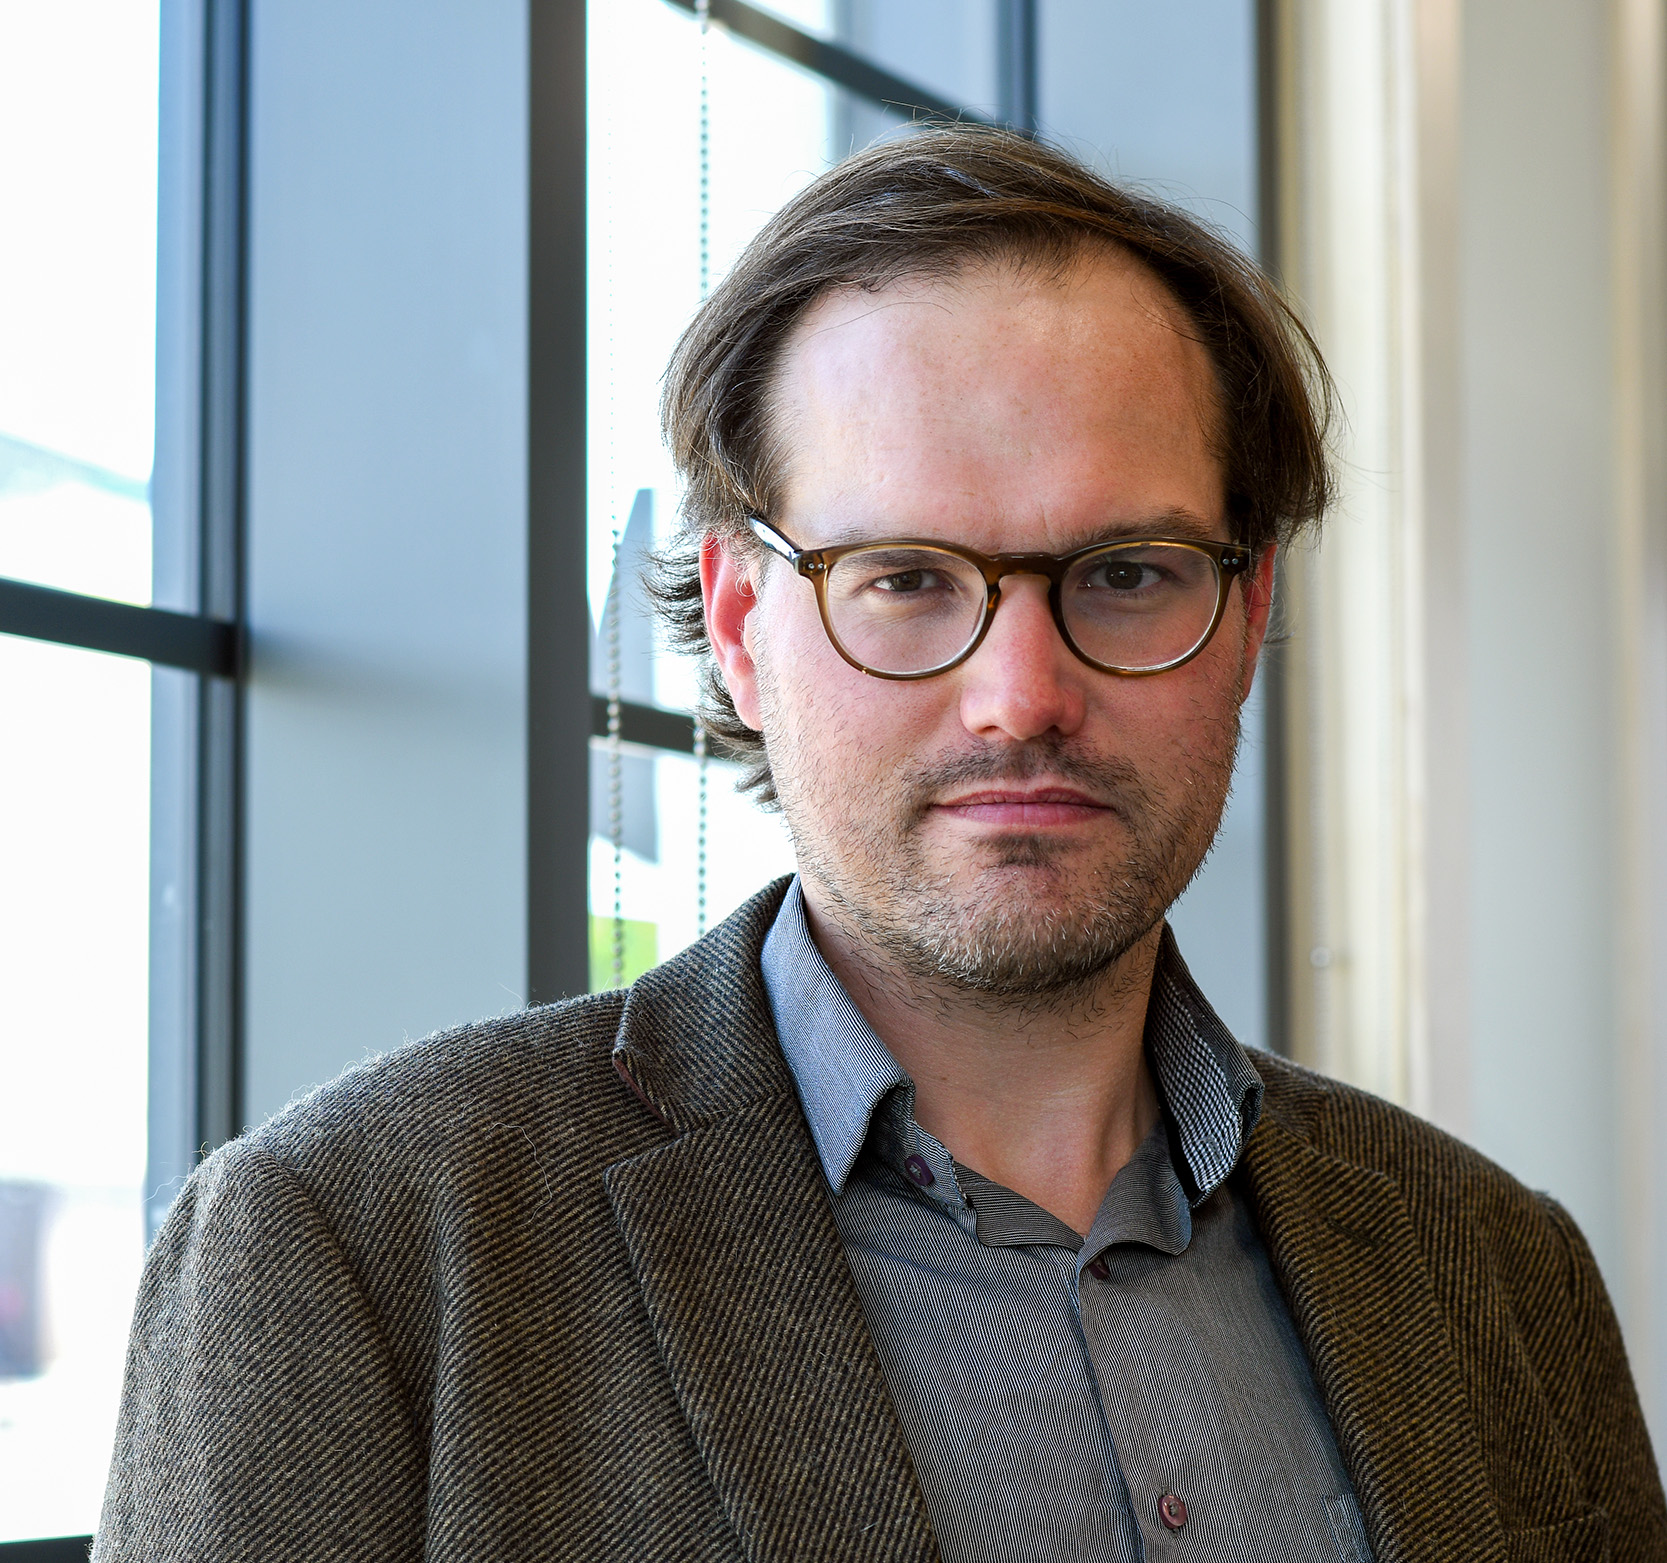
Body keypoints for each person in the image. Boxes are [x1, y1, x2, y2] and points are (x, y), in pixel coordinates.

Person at [96, 128, 1664, 1563]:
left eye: (1127, 573)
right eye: (905, 576)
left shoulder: (1498, 1272)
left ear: (1246, 617)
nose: (1020, 698)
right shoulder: (358, 1251)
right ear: (736, 626)